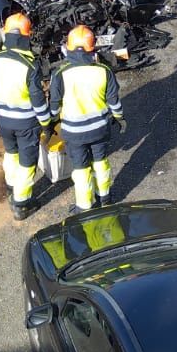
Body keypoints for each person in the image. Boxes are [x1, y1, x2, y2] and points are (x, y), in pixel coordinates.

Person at [0, 12, 51, 221]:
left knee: (11, 153)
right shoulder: (30, 66)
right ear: (25, 38)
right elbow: (38, 100)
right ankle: (21, 203)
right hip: (26, 124)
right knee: (28, 162)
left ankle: (11, 186)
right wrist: (46, 123)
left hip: (3, 120)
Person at [47, 25, 123, 212]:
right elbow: (114, 102)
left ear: (69, 48)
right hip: (99, 130)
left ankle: (84, 206)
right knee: (100, 161)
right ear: (92, 49)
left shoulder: (60, 74)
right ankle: (105, 197)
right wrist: (119, 118)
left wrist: (50, 123)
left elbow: (54, 106)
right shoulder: (103, 71)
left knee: (81, 168)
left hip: (74, 133)